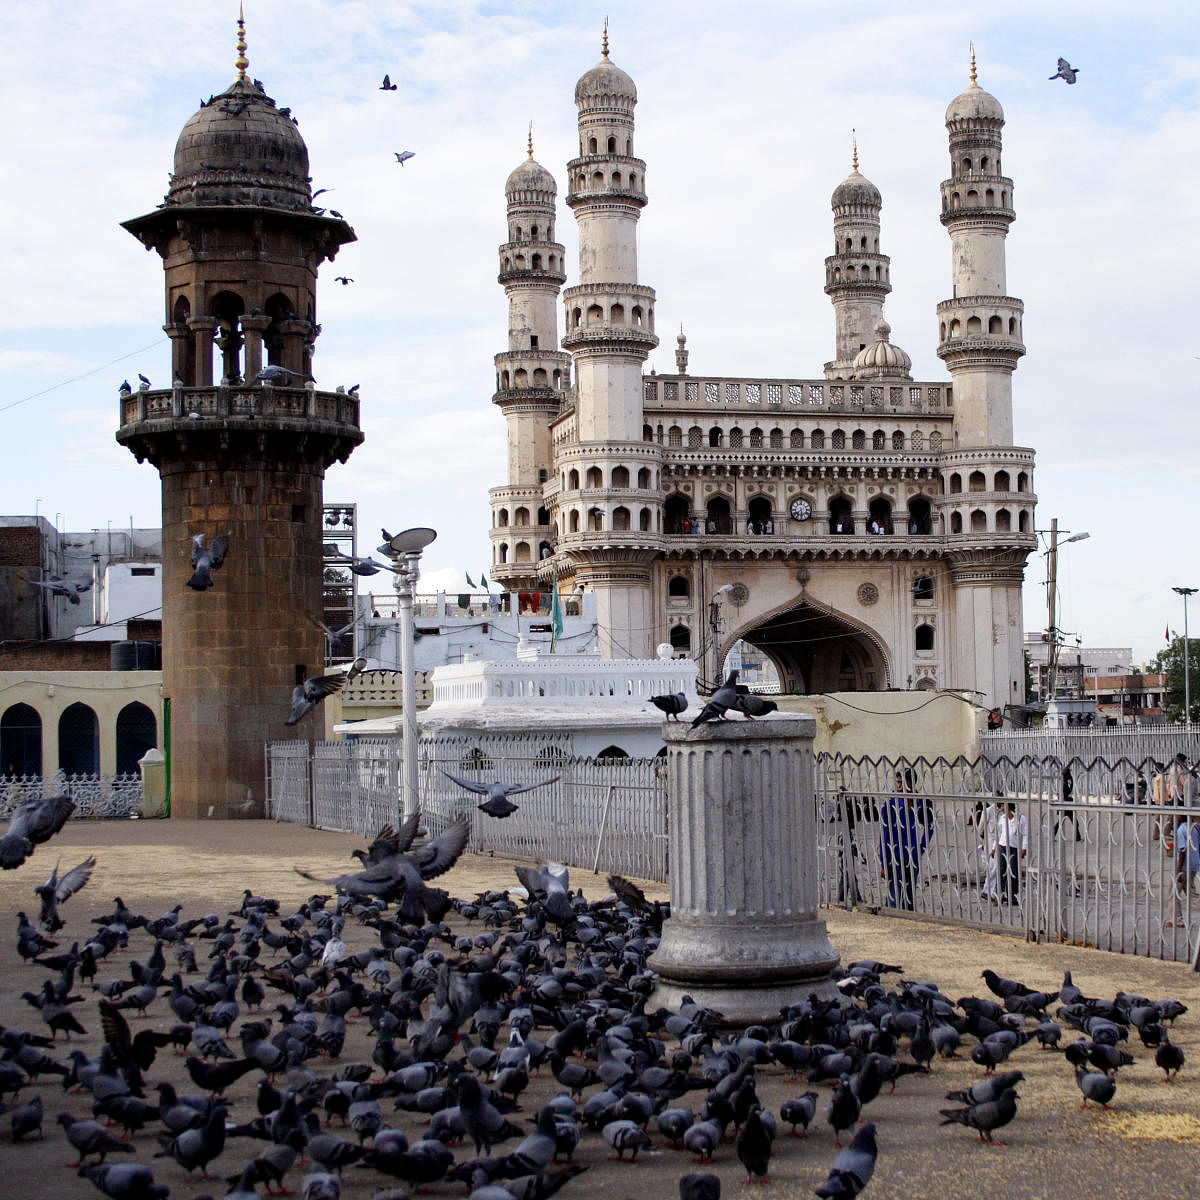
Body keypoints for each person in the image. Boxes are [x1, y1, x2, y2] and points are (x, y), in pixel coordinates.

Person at [878, 769, 933, 911]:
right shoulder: (890, 805)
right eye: (898, 783)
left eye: (903, 783)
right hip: (895, 858)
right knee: (894, 897)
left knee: (909, 897)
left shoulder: (919, 805)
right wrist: (884, 863)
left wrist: (921, 847)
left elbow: (929, 827)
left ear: (911, 783)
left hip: (912, 857)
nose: (900, 786)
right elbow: (884, 836)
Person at [1168, 807, 1200, 928]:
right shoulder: (1194, 827)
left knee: (1173, 892)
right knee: (1191, 892)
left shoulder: (1181, 829)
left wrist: (1178, 870)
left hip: (1184, 866)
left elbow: (1182, 850)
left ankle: (1177, 919)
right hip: (1194, 864)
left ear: (1180, 817)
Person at [995, 802, 1028, 904]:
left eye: (1002, 806)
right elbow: (999, 833)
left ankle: (1012, 895)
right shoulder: (1002, 818)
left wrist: (1024, 848)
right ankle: (999, 894)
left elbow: (1025, 834)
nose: (1000, 808)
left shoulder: (1020, 818)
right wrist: (994, 847)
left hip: (1014, 847)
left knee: (1014, 872)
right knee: (1001, 871)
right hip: (1003, 846)